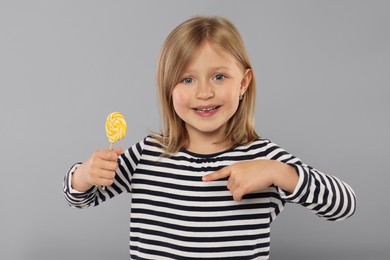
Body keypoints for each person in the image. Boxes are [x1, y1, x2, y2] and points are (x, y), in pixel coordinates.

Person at [64, 15, 356, 259]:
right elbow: (81, 199)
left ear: (243, 83)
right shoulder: (147, 155)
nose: (204, 92)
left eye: (219, 76)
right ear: (168, 89)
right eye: (187, 79)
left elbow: (344, 205)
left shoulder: (264, 160)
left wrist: (277, 172)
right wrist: (85, 174)